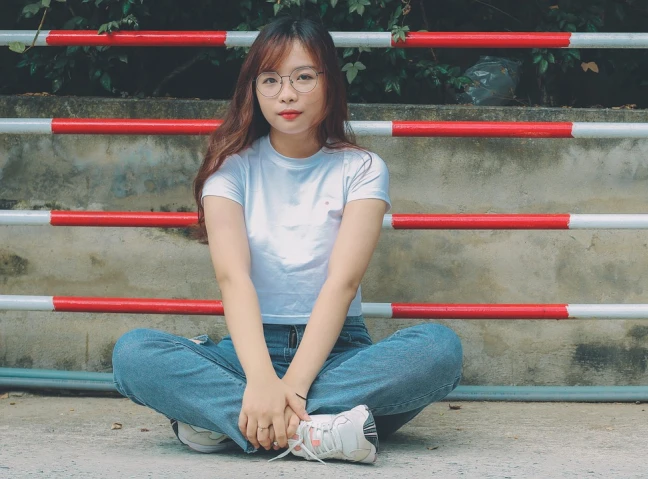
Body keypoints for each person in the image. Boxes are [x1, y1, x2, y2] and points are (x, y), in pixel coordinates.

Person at [111, 15, 463, 464]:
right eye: (271, 80)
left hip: (337, 352)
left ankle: (230, 424)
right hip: (247, 352)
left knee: (439, 350)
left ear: (330, 83)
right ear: (253, 89)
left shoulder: (362, 168)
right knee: (134, 354)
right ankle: (319, 432)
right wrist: (260, 381)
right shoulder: (230, 168)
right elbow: (233, 278)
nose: (287, 94)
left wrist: (292, 387)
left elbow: (343, 282)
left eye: (303, 77)